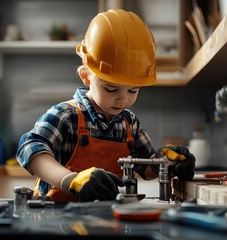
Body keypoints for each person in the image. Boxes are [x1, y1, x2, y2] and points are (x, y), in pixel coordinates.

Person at [16, 9, 195, 202]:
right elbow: (28, 148)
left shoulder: (129, 124)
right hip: (55, 221)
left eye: (132, 91)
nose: (122, 100)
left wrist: (169, 162)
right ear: (86, 76)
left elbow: (146, 170)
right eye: (111, 89)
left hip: (108, 220)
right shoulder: (66, 116)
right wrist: (71, 180)